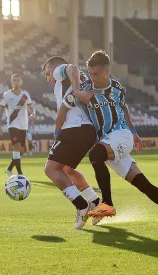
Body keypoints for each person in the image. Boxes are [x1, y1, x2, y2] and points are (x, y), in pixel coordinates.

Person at [61, 50, 158, 226]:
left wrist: (133, 132)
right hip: (107, 143)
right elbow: (71, 76)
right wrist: (76, 92)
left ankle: (107, 204)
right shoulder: (86, 89)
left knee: (95, 155)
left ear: (107, 71)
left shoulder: (117, 88)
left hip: (121, 135)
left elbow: (124, 108)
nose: (92, 77)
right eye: (90, 73)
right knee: (144, 185)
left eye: (96, 74)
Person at [42, 56, 101, 229]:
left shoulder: (62, 72)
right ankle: (95, 202)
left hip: (74, 128)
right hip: (86, 130)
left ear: (55, 68)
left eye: (48, 73)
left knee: (51, 169)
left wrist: (76, 91)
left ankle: (81, 206)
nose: (48, 78)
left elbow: (72, 67)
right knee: (66, 170)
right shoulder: (73, 80)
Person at [0, 74, 34, 176]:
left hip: (24, 125)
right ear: (11, 82)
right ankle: (20, 174)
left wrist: (32, 114)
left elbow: (31, 108)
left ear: (21, 82)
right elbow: (0, 111)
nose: (16, 82)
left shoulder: (25, 95)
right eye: (14, 80)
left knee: (21, 151)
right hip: (13, 124)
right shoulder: (7, 95)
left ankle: (9, 169)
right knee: (16, 146)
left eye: (18, 80)